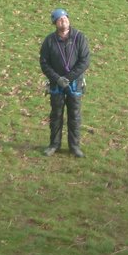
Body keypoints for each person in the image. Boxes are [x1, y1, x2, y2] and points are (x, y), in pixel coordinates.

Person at [39, 8, 91, 157]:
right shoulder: (49, 41)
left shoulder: (79, 37)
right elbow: (44, 63)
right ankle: (54, 145)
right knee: (56, 115)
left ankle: (74, 147)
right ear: (55, 23)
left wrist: (69, 78)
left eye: (65, 18)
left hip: (75, 83)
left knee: (74, 115)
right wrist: (57, 79)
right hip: (56, 84)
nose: (63, 20)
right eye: (60, 19)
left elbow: (85, 61)